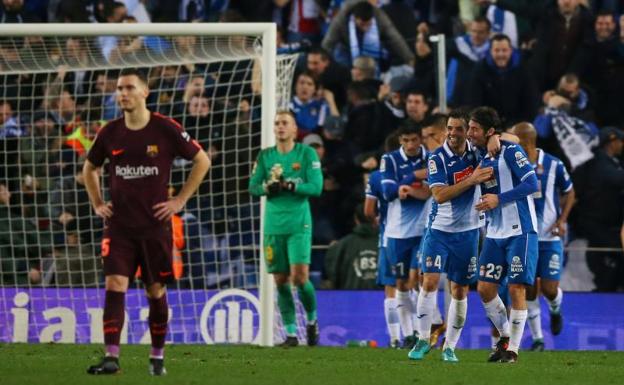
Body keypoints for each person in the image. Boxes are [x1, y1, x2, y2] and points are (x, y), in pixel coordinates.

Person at [83, 68, 211, 376]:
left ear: (144, 93)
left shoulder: (165, 128)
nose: (122, 93)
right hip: (120, 227)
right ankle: (112, 356)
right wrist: (98, 204)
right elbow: (89, 169)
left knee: (155, 290)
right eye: (119, 88)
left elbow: (202, 160)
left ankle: (157, 357)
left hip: (155, 226)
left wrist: (179, 201)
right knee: (114, 284)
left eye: (128, 88)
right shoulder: (110, 131)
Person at [408, 110, 494, 362]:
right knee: (429, 282)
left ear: (468, 131)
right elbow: (439, 195)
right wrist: (472, 180)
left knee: (460, 289)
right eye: (450, 128)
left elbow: (513, 140)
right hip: (439, 230)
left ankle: (450, 347)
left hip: (467, 232)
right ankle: (423, 340)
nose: (453, 133)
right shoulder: (437, 158)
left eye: (458, 128)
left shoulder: (478, 152)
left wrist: (496, 138)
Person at [468, 106, 539, 363]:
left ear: (489, 131)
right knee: (485, 288)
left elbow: (532, 184)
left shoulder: (510, 151)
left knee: (516, 287)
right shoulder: (479, 156)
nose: (469, 133)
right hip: (495, 233)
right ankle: (505, 336)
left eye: (474, 128)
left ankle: (513, 350)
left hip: (520, 229)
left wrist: (499, 198)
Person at [248, 111, 323, 347]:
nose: (280, 127)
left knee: (300, 278)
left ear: (294, 129)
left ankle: (311, 321)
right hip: (273, 225)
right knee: (280, 280)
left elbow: (316, 187)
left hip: (299, 224)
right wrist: (267, 187)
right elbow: (252, 187)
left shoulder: (306, 153)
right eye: (277, 123)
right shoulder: (265, 156)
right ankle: (290, 333)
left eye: (285, 123)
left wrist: (290, 185)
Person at [512, 122, 575, 351]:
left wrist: (562, 220)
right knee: (528, 288)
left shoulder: (553, 164)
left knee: (548, 288)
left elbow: (570, 191)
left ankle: (556, 308)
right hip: (524, 237)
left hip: (549, 237)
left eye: (514, 138)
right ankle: (538, 339)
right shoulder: (511, 164)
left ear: (525, 140)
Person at [381, 123, 430, 348]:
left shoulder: (430, 158)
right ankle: (409, 334)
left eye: (414, 140)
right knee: (401, 284)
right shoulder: (389, 160)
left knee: (418, 280)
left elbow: (429, 192)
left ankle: (424, 333)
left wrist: (410, 187)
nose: (410, 145)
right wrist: (410, 179)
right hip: (397, 232)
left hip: (423, 231)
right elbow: (388, 192)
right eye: (405, 141)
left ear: (420, 139)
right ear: (400, 140)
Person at [575, 126, 624, 291]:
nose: (622, 144)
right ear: (611, 141)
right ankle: (605, 287)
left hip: (607, 222)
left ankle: (607, 286)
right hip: (595, 221)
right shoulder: (599, 162)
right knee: (613, 250)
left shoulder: (612, 161)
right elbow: (617, 180)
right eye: (620, 141)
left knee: (606, 253)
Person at [364, 132, 401, 347]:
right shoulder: (417, 173)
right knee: (413, 285)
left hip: (388, 236)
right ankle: (417, 333)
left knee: (391, 287)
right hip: (415, 236)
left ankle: (396, 338)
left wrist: (378, 220)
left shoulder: (377, 176)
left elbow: (368, 210)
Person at [324, 204, 379, 289]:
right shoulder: (387, 245)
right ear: (377, 219)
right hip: (382, 299)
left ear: (356, 219)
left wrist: (332, 250)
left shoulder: (341, 245)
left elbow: (332, 274)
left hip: (349, 299)